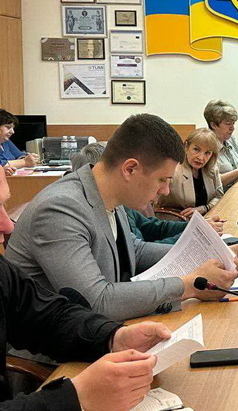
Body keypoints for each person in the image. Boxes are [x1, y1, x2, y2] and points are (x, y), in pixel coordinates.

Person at [6, 114, 238, 322]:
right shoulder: (60, 209)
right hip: (52, 355)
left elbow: (134, 251)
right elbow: (97, 302)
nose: (165, 190)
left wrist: (217, 252)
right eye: (162, 180)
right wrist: (189, 285)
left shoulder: (106, 195)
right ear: (130, 169)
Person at [0, 167, 172, 411]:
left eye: (4, 205)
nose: (8, 225)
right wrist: (77, 397)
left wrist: (112, 337)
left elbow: (45, 315)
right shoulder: (59, 206)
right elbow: (99, 299)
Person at [71, 142, 226, 244]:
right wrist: (195, 235)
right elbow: (140, 252)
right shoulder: (85, 215)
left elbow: (151, 227)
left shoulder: (120, 205)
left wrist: (195, 227)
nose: (165, 190)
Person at [157, 128, 224, 218]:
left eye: (207, 153)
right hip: (174, 220)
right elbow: (154, 202)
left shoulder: (212, 169)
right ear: (186, 147)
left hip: (205, 219)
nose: (201, 157)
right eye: (196, 150)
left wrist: (205, 208)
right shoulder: (173, 171)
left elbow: (219, 197)